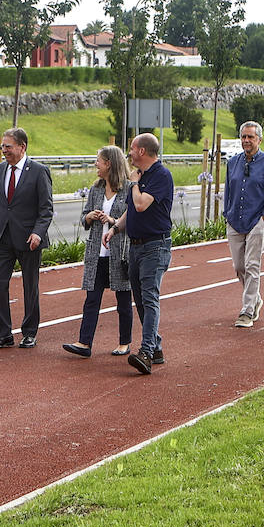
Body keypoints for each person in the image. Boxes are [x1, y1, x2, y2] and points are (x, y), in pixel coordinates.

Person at [107, 132, 173, 374]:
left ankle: (145, 352)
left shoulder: (160, 175)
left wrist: (134, 184)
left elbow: (141, 204)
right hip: (135, 246)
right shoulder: (141, 176)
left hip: (155, 246)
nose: (130, 153)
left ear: (142, 151)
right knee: (141, 300)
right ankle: (155, 347)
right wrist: (115, 228)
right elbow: (131, 212)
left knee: (149, 298)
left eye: (132, 149)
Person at [0, 128, 54, 349]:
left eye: (8, 146)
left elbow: (46, 209)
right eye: (3, 146)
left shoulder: (39, 171)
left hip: (28, 239)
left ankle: (29, 332)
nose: (4, 150)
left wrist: (38, 232)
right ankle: (4, 333)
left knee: (30, 286)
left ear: (22, 147)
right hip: (1, 238)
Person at [64, 145, 134, 358]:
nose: (96, 164)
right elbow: (83, 217)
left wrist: (111, 221)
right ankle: (84, 343)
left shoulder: (129, 189)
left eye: (99, 161)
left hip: (119, 253)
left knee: (123, 301)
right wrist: (90, 217)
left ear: (109, 163)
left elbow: (132, 219)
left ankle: (124, 343)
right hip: (97, 254)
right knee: (91, 299)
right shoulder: (95, 189)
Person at [224, 121, 264, 328]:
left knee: (252, 265)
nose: (246, 141)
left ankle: (247, 310)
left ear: (259, 139)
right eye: (244, 137)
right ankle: (255, 299)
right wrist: (226, 214)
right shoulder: (233, 162)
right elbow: (229, 190)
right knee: (239, 266)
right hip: (234, 220)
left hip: (257, 220)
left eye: (250, 137)